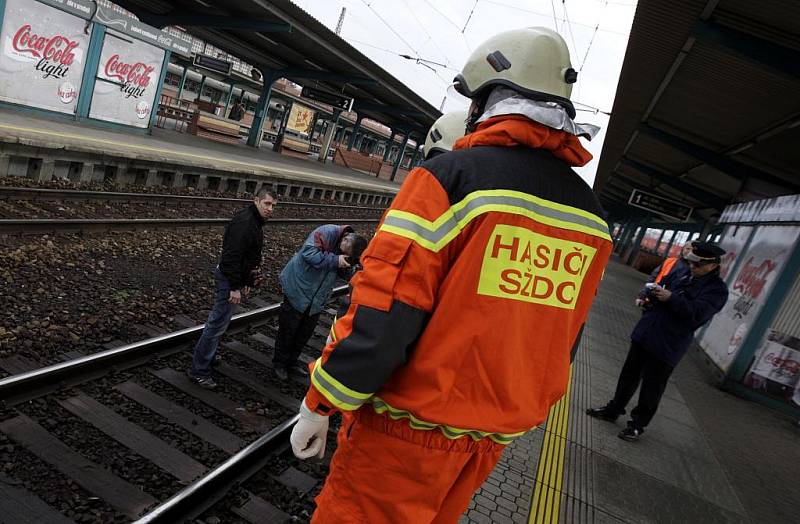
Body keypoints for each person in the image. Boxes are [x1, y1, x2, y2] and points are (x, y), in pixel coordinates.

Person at [289, 27, 612, 523]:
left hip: (409, 429)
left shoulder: (452, 179)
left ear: (486, 98)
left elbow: (385, 312)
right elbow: (563, 336)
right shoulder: (591, 218)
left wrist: (321, 400)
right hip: (489, 438)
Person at [587, 241, 729, 441]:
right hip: (647, 332)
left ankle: (637, 425)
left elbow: (697, 314)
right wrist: (650, 295)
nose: (692, 267)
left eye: (698, 265)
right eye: (690, 262)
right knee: (628, 376)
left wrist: (670, 298)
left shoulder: (717, 291)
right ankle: (613, 409)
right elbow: (662, 287)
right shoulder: (684, 273)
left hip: (668, 344)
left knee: (652, 387)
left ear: (713, 265)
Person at [188, 188, 277, 389]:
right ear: (256, 201)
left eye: (273, 206)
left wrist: (246, 281)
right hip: (228, 279)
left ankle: (207, 358)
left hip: (234, 279)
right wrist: (235, 287)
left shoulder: (254, 221)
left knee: (219, 323)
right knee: (216, 324)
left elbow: (247, 256)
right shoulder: (246, 223)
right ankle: (199, 371)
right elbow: (230, 258)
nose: (270, 209)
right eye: (267, 204)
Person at [273, 225, 367, 381]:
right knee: (289, 329)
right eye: (344, 252)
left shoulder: (346, 248)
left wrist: (349, 267)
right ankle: (279, 364)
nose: (344, 255)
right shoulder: (325, 233)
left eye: (347, 255)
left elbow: (342, 273)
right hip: (298, 287)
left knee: (304, 332)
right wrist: (336, 260)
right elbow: (309, 254)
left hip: (317, 296)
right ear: (344, 239)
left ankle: (292, 362)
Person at [635, 241, 694, 308]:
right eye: (688, 248)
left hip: (672, 306)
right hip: (654, 300)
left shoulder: (695, 270)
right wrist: (642, 296)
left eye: (693, 250)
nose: (689, 252)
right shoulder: (669, 261)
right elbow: (652, 278)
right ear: (683, 249)